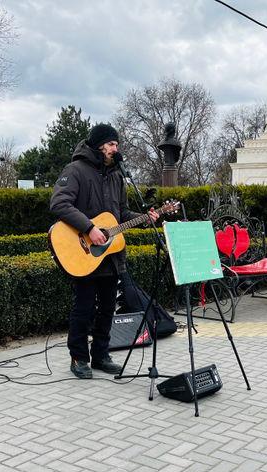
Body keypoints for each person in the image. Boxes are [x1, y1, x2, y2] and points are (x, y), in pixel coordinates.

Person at [49, 123, 158, 379]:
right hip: (83, 253)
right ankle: (78, 357)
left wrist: (146, 217)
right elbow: (59, 203)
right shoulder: (75, 170)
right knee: (84, 307)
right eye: (111, 144)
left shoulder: (117, 176)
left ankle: (100, 355)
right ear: (98, 145)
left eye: (117, 144)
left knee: (108, 306)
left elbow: (121, 215)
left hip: (109, 257)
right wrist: (89, 227)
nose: (115, 149)